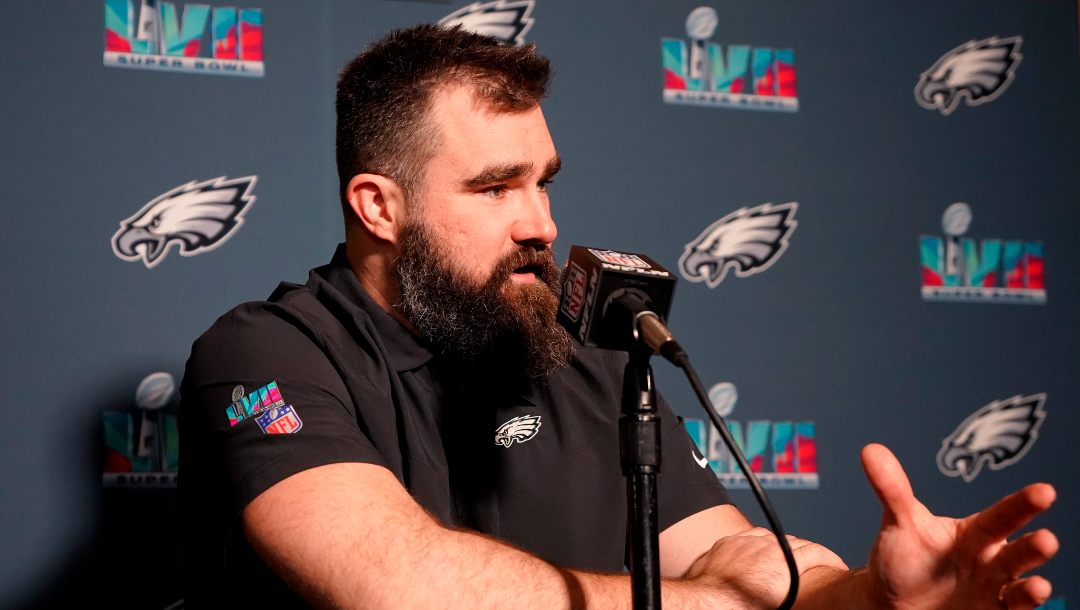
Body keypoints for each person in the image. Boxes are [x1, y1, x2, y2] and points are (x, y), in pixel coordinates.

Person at [179, 24, 1059, 609]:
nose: (542, 224)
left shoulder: (581, 346)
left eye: (543, 180)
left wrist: (864, 596)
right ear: (379, 207)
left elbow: (729, 557)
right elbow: (396, 584)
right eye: (494, 188)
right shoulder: (266, 353)